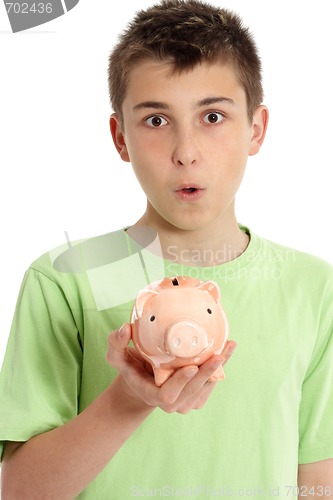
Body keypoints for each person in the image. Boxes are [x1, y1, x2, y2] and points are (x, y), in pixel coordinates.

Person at [1, 0, 333, 497]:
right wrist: (128, 399)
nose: (186, 152)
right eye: (156, 121)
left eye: (213, 116)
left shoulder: (313, 288)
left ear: (256, 129)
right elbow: (21, 490)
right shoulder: (70, 279)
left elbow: (316, 482)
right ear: (121, 138)